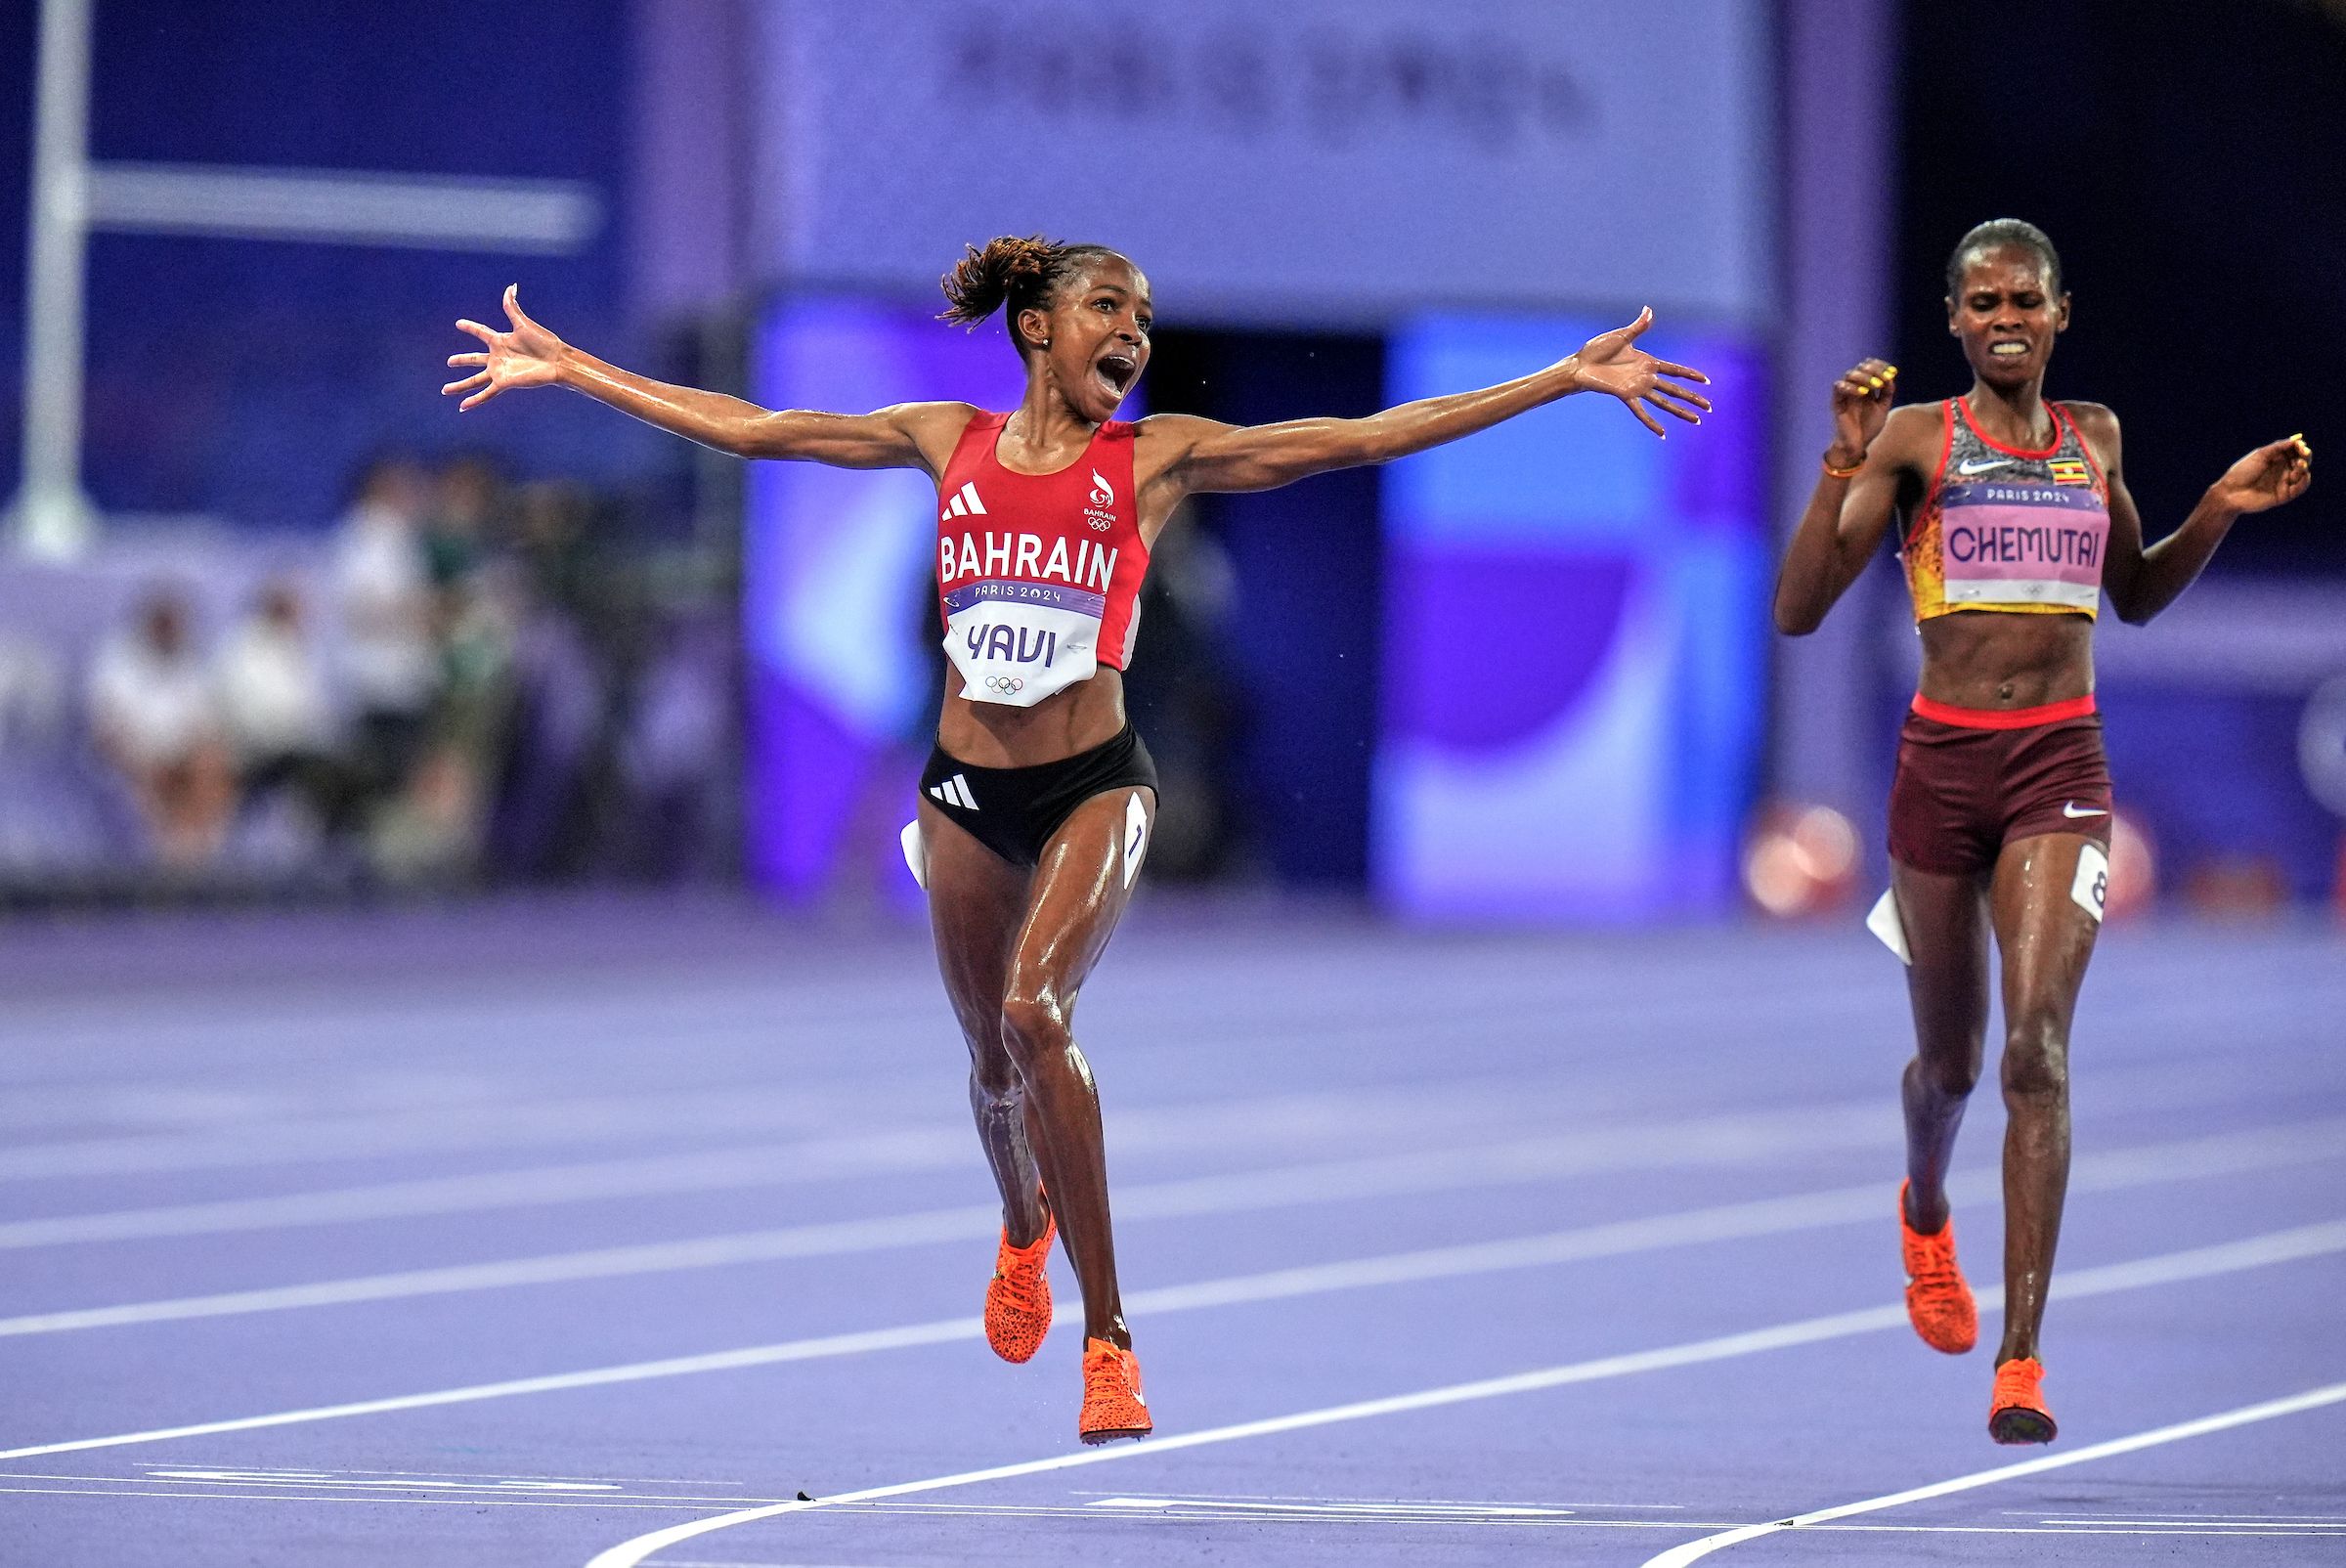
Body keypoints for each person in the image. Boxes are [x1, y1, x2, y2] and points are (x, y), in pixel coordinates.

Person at [446, 240, 1713, 1442]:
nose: (1134, 331)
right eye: (1110, 307)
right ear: (1039, 327)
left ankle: (1110, 1341)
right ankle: (1019, 1221)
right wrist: (574, 370)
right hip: (964, 797)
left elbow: (1366, 437)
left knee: (1038, 1012)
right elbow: (757, 430)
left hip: (1098, 784)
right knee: (992, 1065)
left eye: (1145, 317)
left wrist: (1560, 378)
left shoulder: (1157, 461)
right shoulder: (948, 441)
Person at [1773, 219, 2311, 1444]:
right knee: (1951, 1068)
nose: (2005, 315)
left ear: (2062, 314)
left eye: (2026, 297)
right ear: (1954, 320)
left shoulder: (2095, 438)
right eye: (1982, 300)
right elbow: (1799, 610)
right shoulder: (1914, 440)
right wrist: (1836, 465)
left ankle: (2021, 1361)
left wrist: (2219, 505)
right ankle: (1922, 1204)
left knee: (2040, 1054)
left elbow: (2133, 594)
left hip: (2061, 768)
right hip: (1940, 775)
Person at [85, 588, 237, 869]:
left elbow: (205, 722)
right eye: (167, 626)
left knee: (211, 764)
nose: (174, 634)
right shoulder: (117, 661)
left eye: (179, 627)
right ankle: (165, 863)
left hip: (178, 755)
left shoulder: (187, 661)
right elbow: (106, 731)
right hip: (134, 757)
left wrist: (193, 754)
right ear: (151, 625)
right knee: (154, 776)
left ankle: (197, 860)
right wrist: (144, 759)